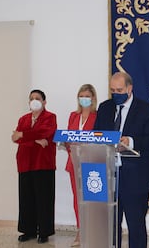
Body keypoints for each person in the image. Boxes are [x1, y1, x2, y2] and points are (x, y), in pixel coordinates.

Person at [94, 72, 149, 248]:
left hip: (136, 178)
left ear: (130, 89)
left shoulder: (146, 110)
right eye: (112, 90)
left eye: (119, 90)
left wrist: (130, 142)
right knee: (110, 226)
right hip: (108, 177)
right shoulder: (105, 108)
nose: (116, 94)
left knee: (135, 226)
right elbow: (96, 135)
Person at [11, 89, 57, 244]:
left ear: (44, 102)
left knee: (44, 199)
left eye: (37, 98)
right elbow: (15, 138)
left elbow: (46, 132)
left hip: (43, 163)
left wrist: (24, 135)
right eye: (31, 98)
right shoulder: (23, 119)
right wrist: (36, 139)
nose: (34, 100)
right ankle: (28, 230)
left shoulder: (50, 117)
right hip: (25, 162)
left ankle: (44, 231)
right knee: (26, 198)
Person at [65, 84, 97, 246]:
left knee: (91, 200)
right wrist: (66, 141)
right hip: (73, 163)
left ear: (92, 98)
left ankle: (92, 230)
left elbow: (99, 139)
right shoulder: (73, 116)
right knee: (77, 199)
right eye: (81, 96)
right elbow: (67, 136)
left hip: (90, 164)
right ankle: (80, 231)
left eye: (87, 96)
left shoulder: (97, 116)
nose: (84, 99)